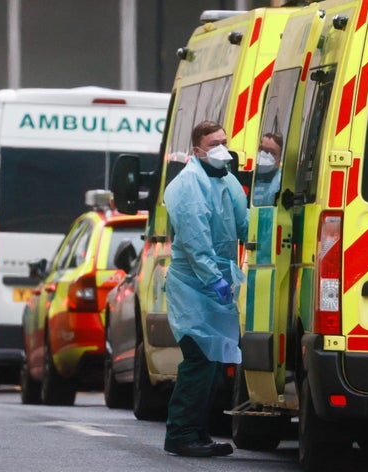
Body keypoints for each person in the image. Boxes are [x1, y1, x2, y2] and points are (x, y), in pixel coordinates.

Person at [162, 121, 248, 457]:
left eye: (224, 142)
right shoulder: (188, 186)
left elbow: (243, 223)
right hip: (193, 286)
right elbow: (196, 243)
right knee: (199, 359)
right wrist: (214, 279)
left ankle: (197, 432)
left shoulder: (226, 180)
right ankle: (181, 433)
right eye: (214, 144)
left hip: (213, 285)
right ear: (197, 150)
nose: (222, 149)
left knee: (212, 362)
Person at [251, 131, 283, 206]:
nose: (265, 155)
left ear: (279, 158)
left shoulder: (280, 182)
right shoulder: (249, 174)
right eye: (262, 149)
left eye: (272, 153)